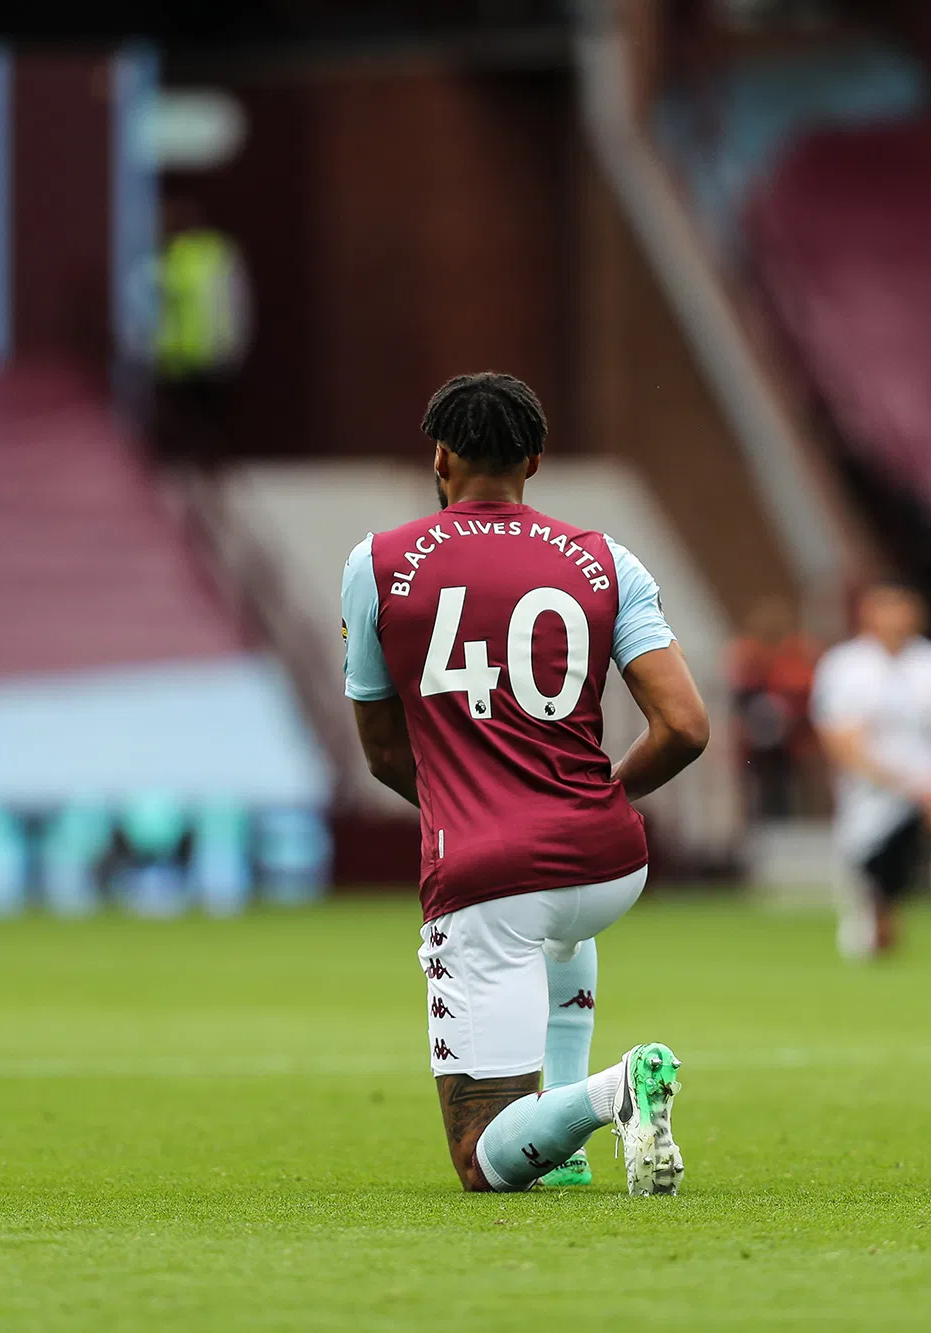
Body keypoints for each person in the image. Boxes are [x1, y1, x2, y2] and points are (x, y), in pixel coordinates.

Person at [341, 372, 708, 1195]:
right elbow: (686, 726)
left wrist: (471, 813)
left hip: (491, 877)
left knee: (483, 1157)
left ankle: (610, 1091)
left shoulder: (379, 563)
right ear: (536, 462)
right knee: (562, 927)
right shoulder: (606, 558)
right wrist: (600, 792)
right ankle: (570, 1148)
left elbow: (381, 748)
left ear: (439, 457)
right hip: (610, 864)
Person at [811, 579, 931, 970]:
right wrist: (905, 784)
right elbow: (843, 742)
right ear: (868, 613)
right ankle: (869, 923)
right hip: (873, 787)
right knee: (861, 859)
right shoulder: (845, 666)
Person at [730, 594, 822, 820]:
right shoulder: (747, 653)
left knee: (789, 788)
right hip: (757, 740)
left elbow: (808, 691)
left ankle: (794, 821)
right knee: (762, 788)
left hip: (792, 739)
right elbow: (740, 694)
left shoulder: (798, 653)